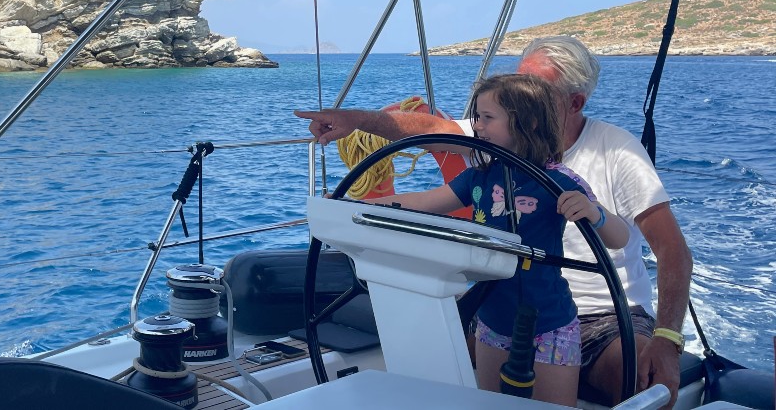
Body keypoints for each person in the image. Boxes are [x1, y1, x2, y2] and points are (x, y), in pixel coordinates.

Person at [294, 36, 693, 408]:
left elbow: (670, 249)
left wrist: (667, 338)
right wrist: (355, 127)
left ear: (573, 103)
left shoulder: (615, 151)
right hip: (496, 304)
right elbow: (430, 141)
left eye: (533, 90)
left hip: (599, 313)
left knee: (642, 384)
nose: (519, 95)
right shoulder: (491, 138)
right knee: (432, 361)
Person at [368, 74, 628, 406]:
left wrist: (594, 213)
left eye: (487, 118)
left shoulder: (560, 181)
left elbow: (619, 238)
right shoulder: (480, 176)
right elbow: (423, 201)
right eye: (476, 116)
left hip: (550, 324)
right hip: (492, 321)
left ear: (528, 122)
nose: (477, 126)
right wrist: (354, 205)